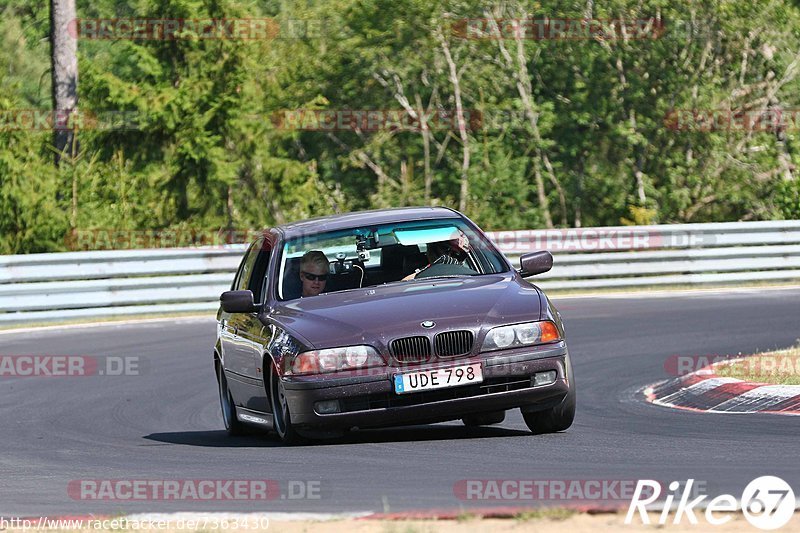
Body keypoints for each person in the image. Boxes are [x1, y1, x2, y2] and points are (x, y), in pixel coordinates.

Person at [403, 229, 471, 280]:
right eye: (445, 248)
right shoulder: (418, 271)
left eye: (457, 254)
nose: (449, 256)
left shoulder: (468, 273)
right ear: (431, 248)